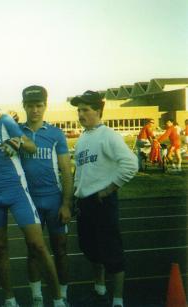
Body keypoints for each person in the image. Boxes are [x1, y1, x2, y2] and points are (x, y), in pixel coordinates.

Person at [0, 85, 65, 307]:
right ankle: (10, 299)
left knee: (37, 245)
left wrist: (18, 142)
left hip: (17, 192)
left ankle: (57, 299)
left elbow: (32, 147)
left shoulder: (3, 120)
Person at [70, 90, 138, 307]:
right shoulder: (82, 138)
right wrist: (74, 195)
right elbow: (80, 173)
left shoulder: (108, 135)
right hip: (85, 203)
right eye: (79, 110)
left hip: (102, 202)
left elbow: (130, 164)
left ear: (98, 111)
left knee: (111, 251)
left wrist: (109, 189)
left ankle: (118, 300)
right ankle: (99, 290)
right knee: (91, 248)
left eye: (85, 110)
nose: (81, 114)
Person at [19, 86, 73, 306]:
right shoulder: (16, 131)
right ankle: (37, 296)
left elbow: (66, 171)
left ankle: (63, 294)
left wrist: (66, 204)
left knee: (60, 249)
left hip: (53, 199)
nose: (34, 110)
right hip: (29, 201)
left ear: (45, 106)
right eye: (30, 105)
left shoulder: (55, 133)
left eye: (39, 105)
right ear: (24, 106)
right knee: (33, 250)